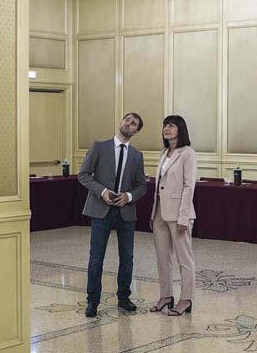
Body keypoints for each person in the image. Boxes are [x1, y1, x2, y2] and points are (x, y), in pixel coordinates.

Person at [78, 113, 148, 317]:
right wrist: (102, 192)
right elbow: (83, 175)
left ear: (136, 131)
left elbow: (142, 186)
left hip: (125, 213)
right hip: (101, 210)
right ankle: (92, 301)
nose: (129, 123)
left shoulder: (136, 155)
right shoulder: (99, 147)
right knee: (96, 258)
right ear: (121, 122)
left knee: (127, 258)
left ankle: (124, 298)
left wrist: (128, 196)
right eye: (127, 120)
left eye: (134, 123)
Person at [149, 115, 197, 316]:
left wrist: (184, 217)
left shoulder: (187, 153)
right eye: (165, 125)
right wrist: (154, 213)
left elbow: (189, 186)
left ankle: (186, 299)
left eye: (171, 125)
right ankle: (166, 296)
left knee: (184, 259)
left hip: (179, 213)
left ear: (180, 129)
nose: (166, 129)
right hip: (160, 211)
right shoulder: (164, 153)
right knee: (162, 257)